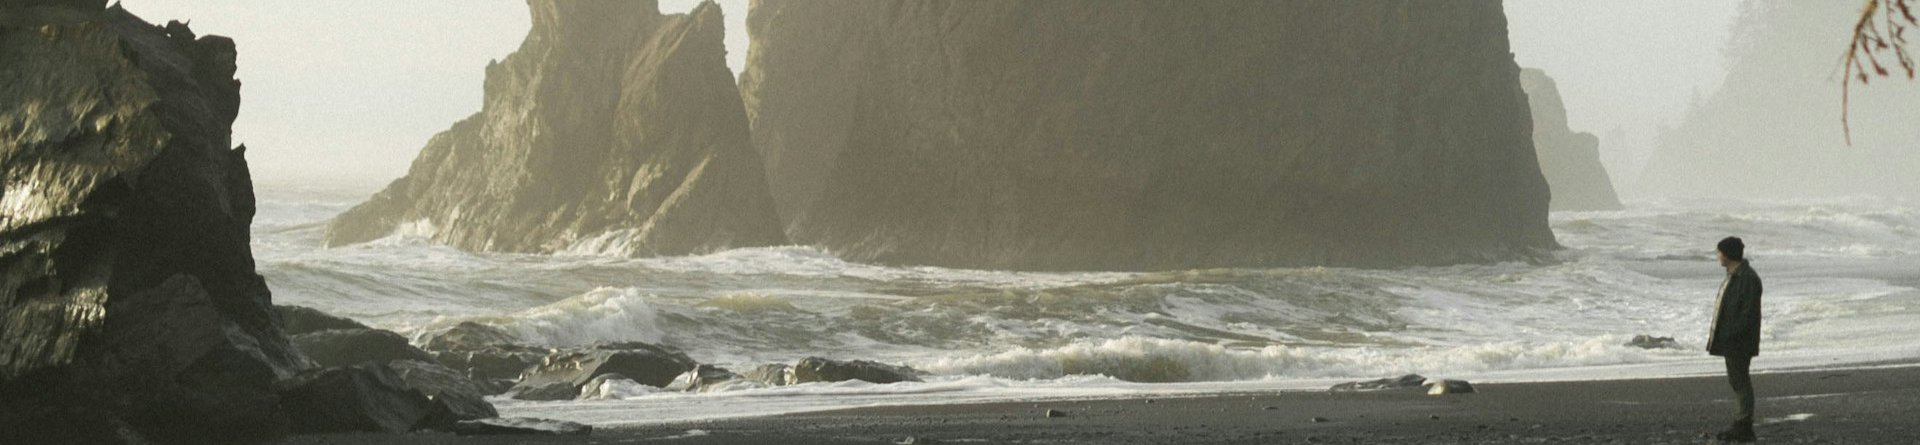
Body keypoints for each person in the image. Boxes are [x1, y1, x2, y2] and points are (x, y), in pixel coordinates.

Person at [1708, 236, 1762, 442]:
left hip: (1740, 340)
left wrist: (1732, 334)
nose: (1718, 256)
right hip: (1734, 338)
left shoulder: (1746, 278)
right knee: (1737, 379)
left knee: (1740, 380)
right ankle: (1742, 423)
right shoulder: (1735, 275)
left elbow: (1748, 313)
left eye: (1719, 252)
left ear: (1728, 254)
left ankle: (1744, 424)